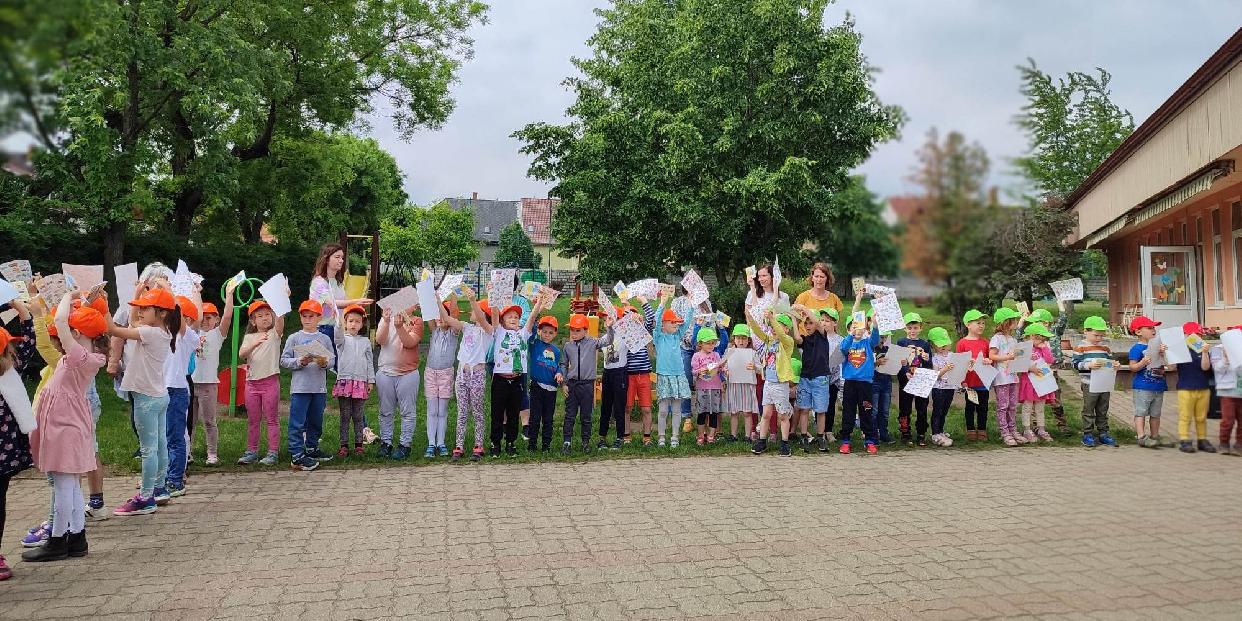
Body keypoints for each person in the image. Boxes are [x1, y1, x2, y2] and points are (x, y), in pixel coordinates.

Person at [22, 292, 107, 562]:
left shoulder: (80, 355)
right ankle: (77, 537)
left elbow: (59, 321)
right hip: (67, 424)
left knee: (62, 485)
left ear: (79, 333)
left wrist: (69, 295)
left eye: (71, 330)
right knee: (69, 484)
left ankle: (58, 540)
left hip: (64, 427)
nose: (64, 333)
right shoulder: (84, 355)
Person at [108, 287, 179, 516]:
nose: (140, 311)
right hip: (158, 396)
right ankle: (159, 488)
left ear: (162, 313)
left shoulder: (150, 333)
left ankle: (145, 497)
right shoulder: (161, 331)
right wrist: (138, 296)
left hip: (146, 399)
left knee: (149, 450)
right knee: (159, 446)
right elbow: (131, 325)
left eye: (145, 308)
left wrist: (102, 306)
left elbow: (114, 330)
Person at [482, 294, 545, 457]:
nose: (513, 318)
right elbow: (494, 314)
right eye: (509, 316)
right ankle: (495, 444)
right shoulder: (499, 332)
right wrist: (494, 293)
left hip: (517, 380)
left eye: (516, 316)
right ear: (503, 320)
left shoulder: (523, 333)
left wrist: (538, 303)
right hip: (500, 380)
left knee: (513, 412)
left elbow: (531, 318)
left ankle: (511, 443)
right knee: (497, 413)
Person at [0, 304, 36, 578]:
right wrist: (23, 311)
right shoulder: (12, 371)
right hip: (6, 454)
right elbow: (29, 344)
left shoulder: (10, 373)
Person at [281, 300, 337, 471]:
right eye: (304, 316)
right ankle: (297, 454)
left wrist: (324, 363)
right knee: (297, 422)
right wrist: (299, 361)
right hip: (300, 388)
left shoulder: (324, 338)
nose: (307, 319)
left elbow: (332, 359)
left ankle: (312, 448)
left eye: (311, 316)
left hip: (318, 388)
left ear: (319, 318)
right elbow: (284, 360)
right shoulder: (294, 338)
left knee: (316, 420)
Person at [190, 281, 236, 466]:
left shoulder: (218, 335)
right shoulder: (192, 332)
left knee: (209, 420)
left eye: (210, 317)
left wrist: (230, 294)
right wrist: (196, 292)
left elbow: (228, 315)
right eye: (203, 317)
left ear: (216, 320)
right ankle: (187, 452)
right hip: (189, 382)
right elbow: (194, 312)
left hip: (208, 383)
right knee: (189, 422)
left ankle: (212, 453)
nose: (206, 320)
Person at [444, 290, 493, 462]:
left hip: (477, 375)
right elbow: (448, 319)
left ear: (483, 314)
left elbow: (480, 317)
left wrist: (473, 300)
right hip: (462, 374)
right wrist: (436, 300)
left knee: (478, 411)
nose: (471, 312)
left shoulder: (488, 332)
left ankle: (479, 445)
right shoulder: (467, 327)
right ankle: (459, 446)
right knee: (462, 411)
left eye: (476, 310)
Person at [237, 299, 285, 466]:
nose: (265, 318)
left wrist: (281, 298)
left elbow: (280, 321)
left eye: (267, 314)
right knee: (253, 419)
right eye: (260, 315)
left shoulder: (274, 334)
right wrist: (254, 344)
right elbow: (242, 354)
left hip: (270, 382)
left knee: (271, 418)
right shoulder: (249, 337)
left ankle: (273, 452)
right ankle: (252, 451)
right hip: (251, 384)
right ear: (253, 320)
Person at [374, 302, 424, 460]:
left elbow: (410, 343)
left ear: (414, 307)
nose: (402, 303)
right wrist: (386, 321)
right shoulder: (387, 318)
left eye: (407, 300)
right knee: (385, 410)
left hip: (407, 373)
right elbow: (380, 340)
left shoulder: (416, 321)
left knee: (407, 411)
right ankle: (386, 442)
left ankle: (405, 444)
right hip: (385, 372)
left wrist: (399, 326)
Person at [163, 296, 201, 498]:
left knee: (176, 437)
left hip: (176, 390)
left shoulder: (188, 337)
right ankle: (163, 476)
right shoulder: (161, 334)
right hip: (158, 390)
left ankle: (176, 479)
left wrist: (172, 297)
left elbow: (183, 326)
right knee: (162, 437)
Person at [308, 243, 373, 362]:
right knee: (322, 366)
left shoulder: (338, 283)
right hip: (323, 329)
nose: (341, 260)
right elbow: (331, 303)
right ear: (327, 259)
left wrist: (357, 305)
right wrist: (356, 301)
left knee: (339, 366)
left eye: (342, 257)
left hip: (337, 328)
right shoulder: (319, 282)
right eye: (337, 257)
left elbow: (344, 302)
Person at [838, 292, 882, 455]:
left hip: (865, 384)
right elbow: (843, 348)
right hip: (850, 383)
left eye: (861, 327)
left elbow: (875, 333)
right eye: (854, 328)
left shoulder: (868, 342)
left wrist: (875, 319)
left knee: (867, 411)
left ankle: (869, 440)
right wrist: (856, 299)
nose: (857, 330)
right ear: (850, 329)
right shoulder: (846, 342)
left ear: (865, 329)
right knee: (848, 412)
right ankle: (845, 440)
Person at [747, 309, 796, 456]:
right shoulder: (769, 341)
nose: (775, 330)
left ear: (787, 329)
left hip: (780, 384)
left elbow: (781, 334)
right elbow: (757, 331)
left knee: (783, 415)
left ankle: (785, 443)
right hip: (768, 382)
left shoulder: (788, 342)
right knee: (766, 414)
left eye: (779, 326)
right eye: (773, 327)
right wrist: (750, 318)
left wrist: (772, 319)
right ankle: (762, 441)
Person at [333, 304, 375, 458]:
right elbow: (337, 336)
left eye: (357, 321)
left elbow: (370, 362)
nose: (353, 324)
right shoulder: (342, 340)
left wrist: (370, 380)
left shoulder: (365, 342)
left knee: (358, 415)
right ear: (345, 323)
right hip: (345, 382)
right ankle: (343, 445)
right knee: (345, 415)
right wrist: (337, 321)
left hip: (360, 383)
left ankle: (359, 444)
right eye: (350, 321)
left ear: (362, 324)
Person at [1072, 316, 1118, 448]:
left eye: (1101, 335)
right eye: (1096, 335)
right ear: (1086, 331)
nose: (1099, 338)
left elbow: (1110, 361)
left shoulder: (1105, 348)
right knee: (1089, 409)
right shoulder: (1080, 347)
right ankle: (1087, 434)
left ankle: (1103, 433)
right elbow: (1075, 364)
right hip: (1089, 383)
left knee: (1103, 409)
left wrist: (1115, 365)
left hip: (1104, 382)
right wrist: (1088, 366)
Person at [423, 300, 461, 458]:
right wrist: (429, 295)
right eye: (437, 316)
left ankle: (441, 442)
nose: (440, 319)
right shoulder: (434, 331)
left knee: (442, 411)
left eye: (443, 316)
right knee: (432, 410)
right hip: (431, 373)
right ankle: (431, 443)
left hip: (446, 374)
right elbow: (428, 313)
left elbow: (454, 314)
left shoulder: (453, 333)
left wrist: (451, 297)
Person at [653, 291, 690, 448]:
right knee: (663, 410)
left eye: (676, 322)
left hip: (678, 376)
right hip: (664, 376)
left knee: (676, 409)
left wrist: (692, 306)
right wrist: (662, 303)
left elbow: (687, 322)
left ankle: (675, 436)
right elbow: (655, 320)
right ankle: (661, 436)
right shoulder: (659, 337)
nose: (676, 324)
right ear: (664, 324)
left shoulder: (677, 336)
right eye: (673, 322)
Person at [793, 307, 833, 451]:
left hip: (820, 378)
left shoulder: (823, 336)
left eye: (810, 323)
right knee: (804, 408)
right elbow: (797, 338)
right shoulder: (805, 339)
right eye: (806, 323)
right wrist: (794, 318)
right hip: (805, 378)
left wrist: (804, 308)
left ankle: (820, 437)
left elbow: (817, 322)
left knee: (820, 410)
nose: (808, 326)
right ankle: (804, 436)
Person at [561, 313, 602, 452]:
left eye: (578, 330)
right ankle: (567, 442)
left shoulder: (592, 342)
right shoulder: (567, 346)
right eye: (572, 329)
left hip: (587, 385)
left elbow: (607, 341)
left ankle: (585, 442)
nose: (574, 333)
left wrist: (610, 327)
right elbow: (563, 365)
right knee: (569, 415)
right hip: (572, 385)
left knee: (586, 416)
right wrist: (564, 384)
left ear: (586, 330)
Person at [1173, 321, 1215, 453]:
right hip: (1185, 388)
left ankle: (1202, 439)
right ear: (1185, 335)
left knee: (1201, 416)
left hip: (1202, 387)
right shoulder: (1179, 349)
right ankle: (1184, 440)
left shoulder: (1203, 349)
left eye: (1198, 334)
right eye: (1192, 334)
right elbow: (1172, 367)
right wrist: (1166, 353)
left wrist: (1204, 353)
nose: (1196, 337)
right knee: (1185, 416)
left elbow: (1205, 367)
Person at [1126, 316, 1167, 449]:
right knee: (1141, 412)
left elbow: (1168, 366)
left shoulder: (1159, 347)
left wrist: (1164, 354)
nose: (1153, 330)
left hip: (1158, 385)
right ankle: (1141, 436)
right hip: (1142, 386)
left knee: (1156, 413)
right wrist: (1143, 362)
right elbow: (1132, 367)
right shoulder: (1137, 349)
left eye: (1154, 327)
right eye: (1149, 328)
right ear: (1138, 332)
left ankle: (1155, 436)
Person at [528, 314, 563, 453]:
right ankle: (532, 445)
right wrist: (537, 319)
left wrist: (559, 373)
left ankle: (546, 446)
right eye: (544, 331)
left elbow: (557, 365)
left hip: (551, 390)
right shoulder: (534, 344)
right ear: (539, 331)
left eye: (550, 332)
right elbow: (530, 333)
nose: (547, 335)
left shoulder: (556, 350)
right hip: (537, 386)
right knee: (535, 418)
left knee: (548, 419)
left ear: (555, 334)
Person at [897, 312, 933, 446]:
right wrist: (905, 372)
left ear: (921, 328)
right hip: (905, 380)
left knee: (922, 408)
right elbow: (899, 362)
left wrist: (926, 359)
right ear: (905, 328)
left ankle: (921, 433)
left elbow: (929, 365)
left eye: (915, 328)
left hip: (921, 381)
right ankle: (905, 433)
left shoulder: (925, 344)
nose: (913, 331)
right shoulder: (901, 342)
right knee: (905, 408)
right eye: (910, 328)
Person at [1016, 323, 1056, 443]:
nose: (1040, 340)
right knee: (1027, 406)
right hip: (1028, 382)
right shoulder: (1022, 347)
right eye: (1037, 338)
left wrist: (1044, 348)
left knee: (1040, 407)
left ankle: (1041, 429)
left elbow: (1049, 361)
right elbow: (1018, 363)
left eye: (1042, 338)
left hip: (1041, 382)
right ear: (1028, 337)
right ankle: (1027, 429)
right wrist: (1029, 367)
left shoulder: (1042, 348)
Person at [624, 298, 657, 445]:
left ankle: (647, 437)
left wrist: (643, 302)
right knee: (627, 407)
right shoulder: (623, 334)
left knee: (646, 408)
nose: (631, 318)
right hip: (628, 375)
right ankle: (626, 436)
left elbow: (652, 318)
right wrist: (625, 306)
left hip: (643, 374)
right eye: (628, 316)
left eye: (633, 315)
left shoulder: (644, 331)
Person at [989, 307, 1023, 446]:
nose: (1015, 322)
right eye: (1013, 320)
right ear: (1005, 322)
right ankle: (1004, 432)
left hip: (1013, 376)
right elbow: (992, 356)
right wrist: (1006, 357)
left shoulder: (1013, 339)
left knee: (1013, 405)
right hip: (1002, 377)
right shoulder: (996, 338)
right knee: (1003, 405)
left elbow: (1016, 355)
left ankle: (1013, 429)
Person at [956, 309, 991, 441]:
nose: (981, 325)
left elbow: (990, 359)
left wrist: (989, 361)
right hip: (969, 383)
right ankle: (970, 429)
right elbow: (958, 363)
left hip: (983, 382)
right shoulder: (962, 343)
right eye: (978, 323)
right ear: (968, 324)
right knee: (970, 407)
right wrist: (962, 381)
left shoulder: (985, 342)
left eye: (983, 323)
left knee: (983, 407)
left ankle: (982, 430)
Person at [597, 307, 629, 450]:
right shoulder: (605, 337)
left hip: (620, 373)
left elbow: (640, 332)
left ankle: (619, 437)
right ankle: (601, 438)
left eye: (610, 318)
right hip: (607, 373)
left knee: (619, 407)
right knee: (605, 407)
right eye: (605, 318)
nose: (607, 321)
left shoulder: (625, 336)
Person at [721, 324, 758, 443]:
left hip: (747, 385)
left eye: (744, 338)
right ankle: (733, 435)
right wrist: (725, 371)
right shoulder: (729, 351)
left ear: (748, 340)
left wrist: (755, 367)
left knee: (747, 412)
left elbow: (760, 368)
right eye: (738, 338)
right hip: (734, 385)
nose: (741, 341)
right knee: (734, 412)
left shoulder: (752, 353)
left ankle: (748, 436)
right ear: (734, 339)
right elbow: (723, 365)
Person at [1209, 331, 1242, 456]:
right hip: (1227, 390)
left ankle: (1239, 444)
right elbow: (1217, 369)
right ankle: (1224, 443)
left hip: (1240, 390)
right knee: (1228, 419)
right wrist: (1226, 359)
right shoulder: (1219, 349)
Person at [691, 327, 724, 444]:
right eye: (708, 343)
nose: (711, 345)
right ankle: (700, 435)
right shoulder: (696, 356)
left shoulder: (716, 354)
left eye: (713, 343)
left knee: (714, 413)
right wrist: (700, 371)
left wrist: (723, 368)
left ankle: (711, 436)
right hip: (702, 388)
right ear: (700, 343)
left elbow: (720, 367)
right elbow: (693, 371)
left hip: (715, 387)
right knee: (702, 413)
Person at [926, 327, 956, 447]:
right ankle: (935, 433)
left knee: (944, 410)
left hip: (950, 387)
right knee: (937, 410)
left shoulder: (952, 355)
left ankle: (941, 430)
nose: (943, 347)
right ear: (933, 345)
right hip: (939, 388)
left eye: (945, 343)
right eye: (940, 344)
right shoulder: (934, 358)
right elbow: (936, 375)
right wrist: (945, 369)